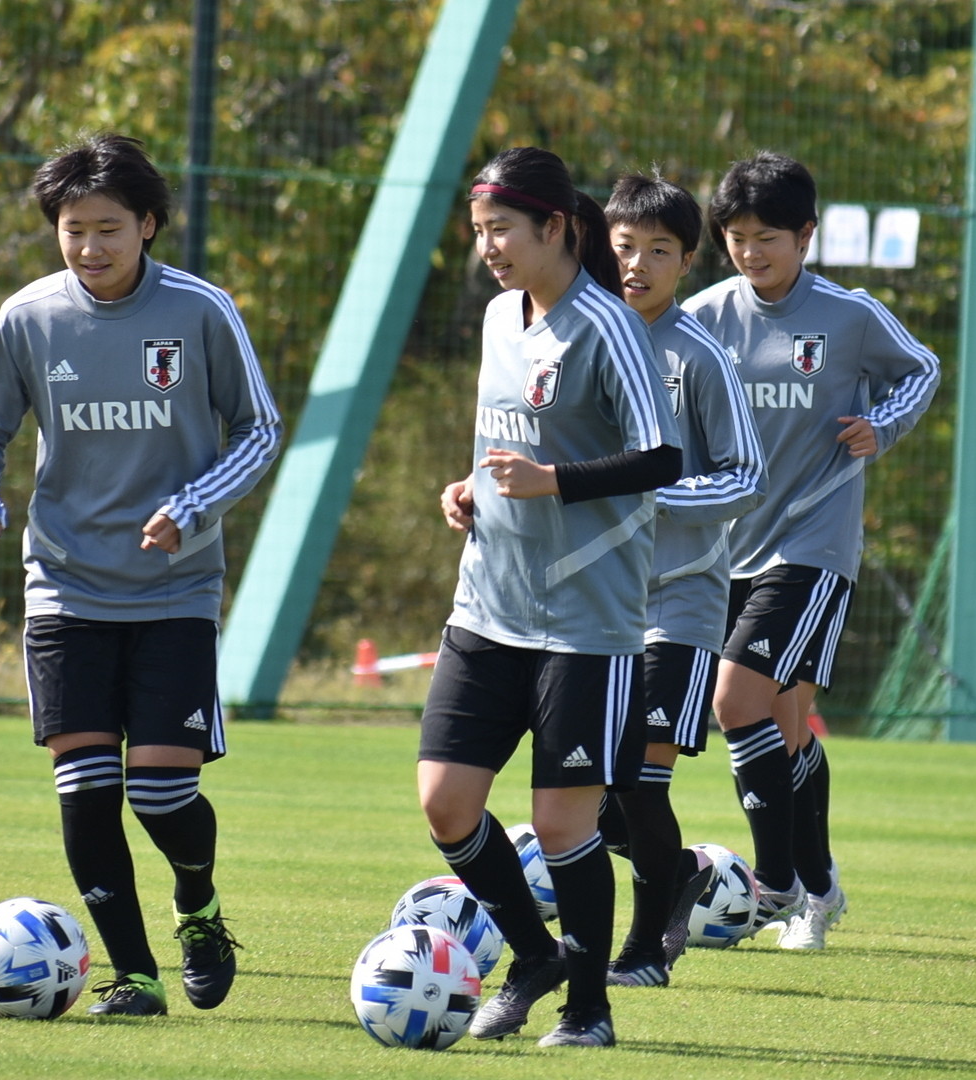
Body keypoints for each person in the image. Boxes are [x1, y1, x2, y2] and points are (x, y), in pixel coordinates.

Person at [0, 134, 280, 1017]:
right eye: (72, 229)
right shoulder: (29, 317)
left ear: (147, 224)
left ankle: (199, 907)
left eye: (107, 228)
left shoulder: (202, 311)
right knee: (88, 793)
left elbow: (259, 429)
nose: (89, 247)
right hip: (63, 585)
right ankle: (133, 977)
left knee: (165, 793)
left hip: (174, 591)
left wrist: (193, 504)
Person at [421, 146, 681, 1048]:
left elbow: (661, 459)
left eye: (501, 230)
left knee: (559, 822)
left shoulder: (609, 326)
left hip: (583, 624)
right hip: (485, 607)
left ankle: (588, 1010)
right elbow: (506, 441)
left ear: (556, 229)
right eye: (480, 231)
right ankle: (534, 957)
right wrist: (472, 487)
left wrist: (553, 482)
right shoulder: (499, 317)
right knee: (446, 803)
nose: (488, 247)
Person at [683, 151, 939, 948]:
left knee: (736, 703)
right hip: (729, 547)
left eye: (767, 236)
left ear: (806, 235)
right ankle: (820, 889)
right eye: (736, 236)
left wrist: (882, 426)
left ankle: (779, 881)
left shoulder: (849, 314)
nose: (751, 252)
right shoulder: (708, 315)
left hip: (813, 544)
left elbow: (922, 368)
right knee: (787, 724)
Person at [597, 171, 764, 987]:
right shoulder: (579, 338)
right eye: (624, 246)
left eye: (658, 250)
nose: (637, 264)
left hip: (682, 599)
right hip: (594, 604)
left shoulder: (699, 356)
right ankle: (687, 872)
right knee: (590, 795)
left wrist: (652, 490)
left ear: (688, 262)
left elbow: (745, 473)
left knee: (637, 777)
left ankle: (639, 954)